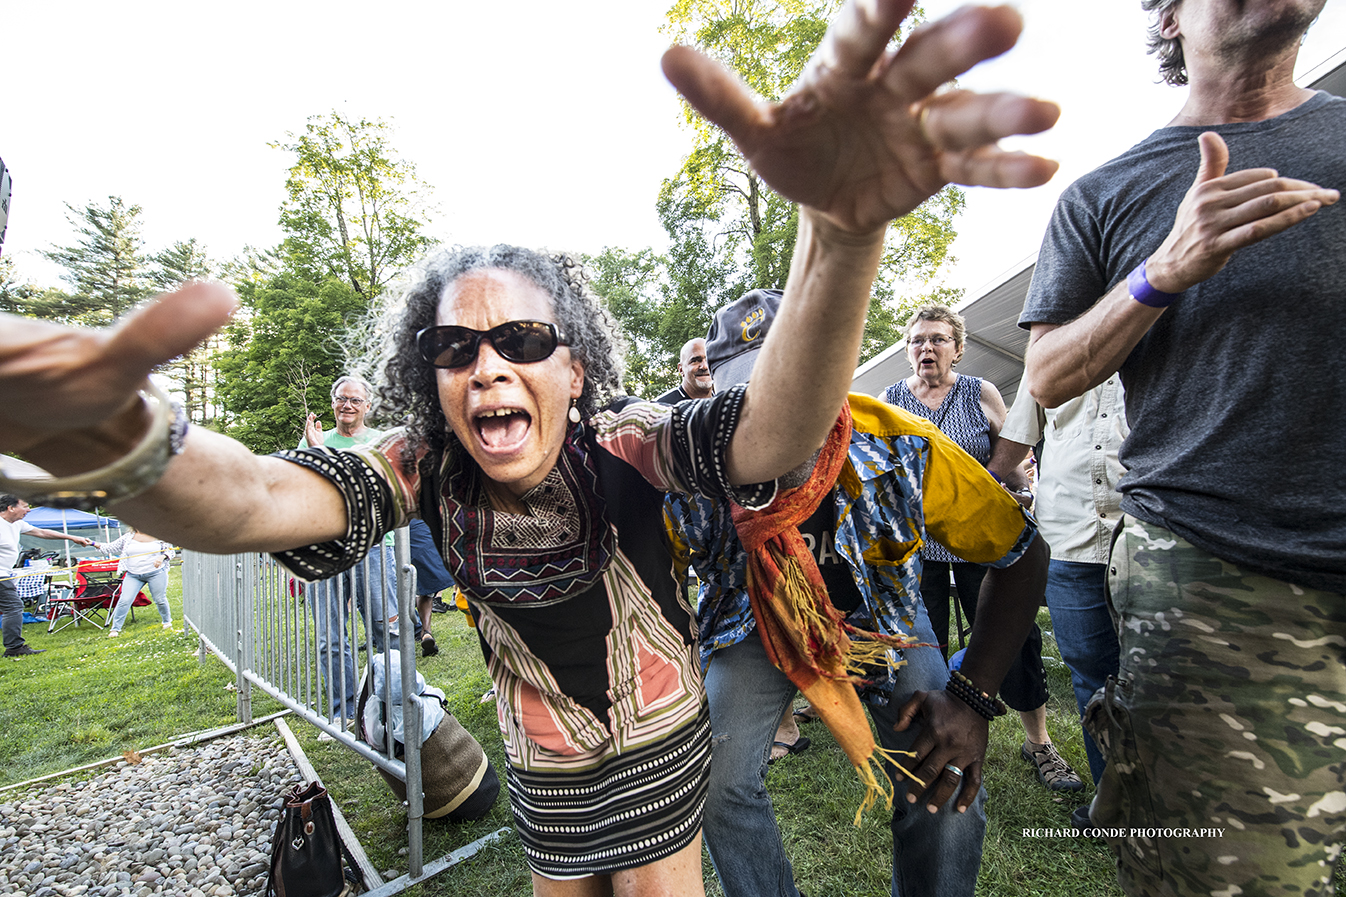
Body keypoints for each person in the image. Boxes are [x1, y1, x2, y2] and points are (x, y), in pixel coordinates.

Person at [0, 3, 1062, 892]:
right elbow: (247, 500)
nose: (488, 366)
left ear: (576, 369)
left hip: (659, 758)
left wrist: (837, 239)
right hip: (546, 779)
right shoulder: (419, 471)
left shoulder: (634, 447)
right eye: (454, 347)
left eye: (521, 341)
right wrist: (118, 437)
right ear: (431, 379)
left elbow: (775, 431)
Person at [1019, 1, 1343, 893]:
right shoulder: (1106, 193)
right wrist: (1162, 272)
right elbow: (1045, 376)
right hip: (1228, 592)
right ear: (1167, 19)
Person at [671, 288, 1048, 897]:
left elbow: (1024, 553)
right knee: (710, 774)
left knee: (944, 770)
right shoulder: (686, 459)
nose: (776, 413)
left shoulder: (903, 442)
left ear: (831, 372)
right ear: (715, 394)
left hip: (884, 620)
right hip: (755, 620)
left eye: (794, 382)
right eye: (750, 394)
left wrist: (974, 697)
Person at [882, 305, 1082, 793]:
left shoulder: (980, 393)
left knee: (1013, 643)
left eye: (938, 339)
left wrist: (1017, 492)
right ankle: (932, 745)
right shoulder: (889, 399)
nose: (926, 348)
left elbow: (1015, 452)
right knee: (920, 653)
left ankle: (1039, 742)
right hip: (916, 550)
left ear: (958, 347)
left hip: (981, 547)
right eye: (918, 341)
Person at [987, 377, 1127, 824]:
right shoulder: (1050, 352)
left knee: (1169, 677)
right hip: (1071, 535)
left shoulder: (1162, 327)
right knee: (1091, 676)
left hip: (1148, 528)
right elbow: (1018, 436)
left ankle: (1174, 800)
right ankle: (1113, 805)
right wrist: (975, 493)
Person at [299, 374, 401, 720]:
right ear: (332, 403)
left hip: (373, 547)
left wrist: (322, 454)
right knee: (330, 636)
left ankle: (391, 707)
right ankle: (345, 713)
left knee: (385, 630)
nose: (347, 405)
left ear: (367, 406)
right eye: (342, 398)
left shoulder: (380, 443)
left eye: (355, 400)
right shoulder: (313, 440)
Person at [0, 494, 94, 656]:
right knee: (13, 607)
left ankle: (14, 647)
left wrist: (72, 537)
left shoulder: (16, 524)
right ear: (11, 508)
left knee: (13, 607)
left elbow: (42, 533)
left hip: (5, 574)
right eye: (25, 505)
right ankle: (14, 648)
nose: (29, 510)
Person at [94, 527, 176, 637]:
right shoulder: (128, 537)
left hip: (155, 573)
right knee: (124, 600)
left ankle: (167, 622)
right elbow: (109, 548)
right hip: (133, 575)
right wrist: (92, 543)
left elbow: (170, 552)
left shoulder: (160, 535)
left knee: (159, 599)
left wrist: (162, 557)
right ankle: (115, 629)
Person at [654, 338, 714, 404]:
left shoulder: (723, 403)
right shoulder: (659, 407)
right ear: (681, 369)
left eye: (709, 360)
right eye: (695, 361)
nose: (705, 366)